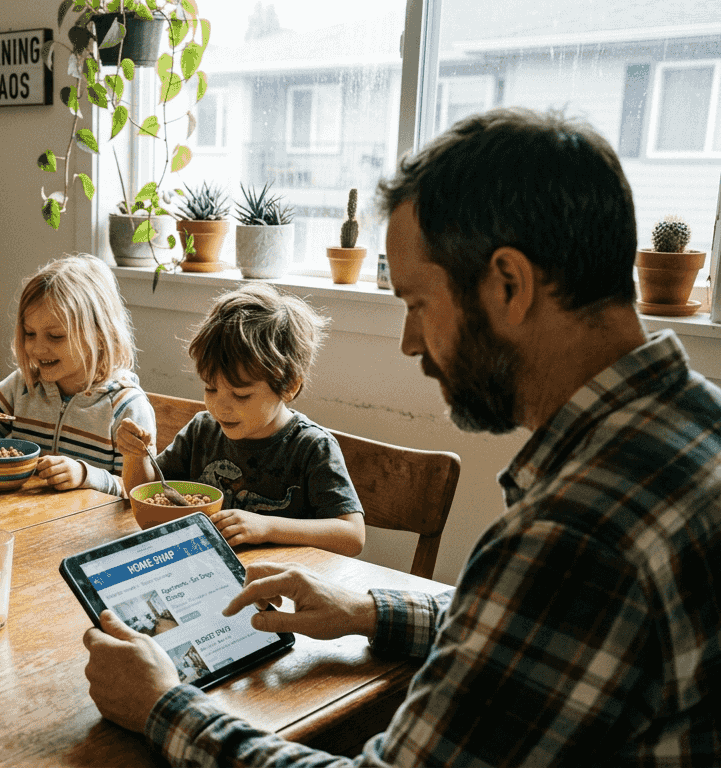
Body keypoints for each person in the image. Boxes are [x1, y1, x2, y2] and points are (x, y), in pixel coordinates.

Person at [82, 107, 721, 766]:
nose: (411, 342)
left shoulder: (579, 532)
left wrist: (164, 705)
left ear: (509, 283)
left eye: (417, 304)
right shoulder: (692, 428)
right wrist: (370, 611)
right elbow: (542, 635)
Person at [116, 283, 365, 556]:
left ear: (289, 386)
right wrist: (135, 456)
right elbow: (144, 492)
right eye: (210, 388)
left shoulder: (311, 447)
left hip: (279, 585)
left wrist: (268, 527)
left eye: (241, 394)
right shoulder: (203, 431)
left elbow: (352, 535)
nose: (220, 406)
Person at [0, 254, 153, 495]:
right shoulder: (23, 386)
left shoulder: (126, 407)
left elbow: (141, 493)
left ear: (99, 335)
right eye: (29, 333)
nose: (37, 349)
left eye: (55, 336)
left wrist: (85, 475)